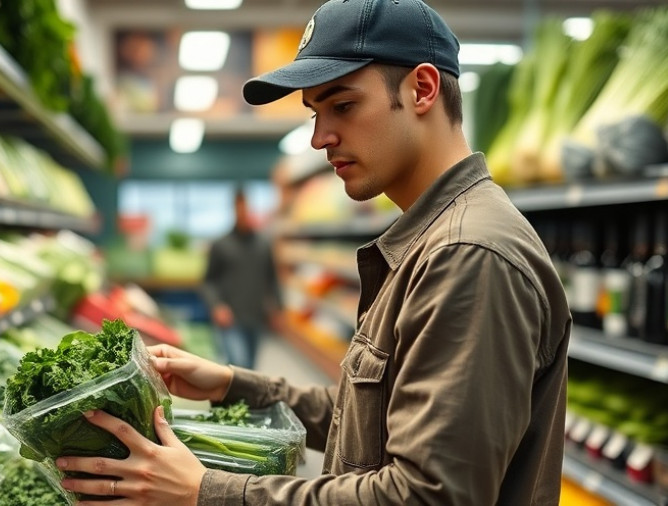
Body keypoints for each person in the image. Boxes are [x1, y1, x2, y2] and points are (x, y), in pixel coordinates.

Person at [57, 0, 571, 504]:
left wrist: (205, 492)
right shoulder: (431, 237)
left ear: (422, 89)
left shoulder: (467, 255)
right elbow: (369, 415)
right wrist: (234, 385)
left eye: (343, 105)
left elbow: (426, 494)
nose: (321, 138)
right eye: (315, 112)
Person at [200, 186, 283, 369]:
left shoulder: (263, 244)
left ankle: (243, 398)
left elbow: (272, 278)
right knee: (238, 365)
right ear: (234, 209)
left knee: (250, 369)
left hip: (255, 316)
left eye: (246, 207)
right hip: (230, 318)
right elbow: (208, 282)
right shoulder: (220, 245)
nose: (243, 212)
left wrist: (277, 306)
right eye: (239, 207)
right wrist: (216, 306)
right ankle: (235, 397)